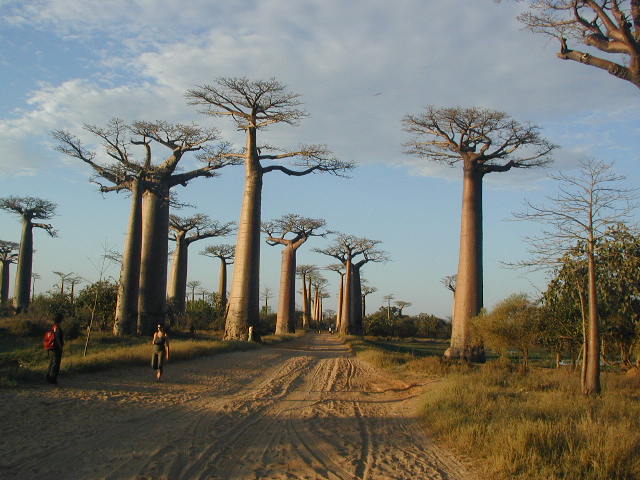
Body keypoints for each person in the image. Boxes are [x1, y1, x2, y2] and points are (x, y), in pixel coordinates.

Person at [46, 313, 64, 385]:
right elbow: (57, 338)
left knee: (53, 362)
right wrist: (60, 347)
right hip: (56, 347)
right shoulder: (57, 327)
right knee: (56, 363)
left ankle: (49, 377)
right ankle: (52, 378)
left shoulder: (54, 326)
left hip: (53, 347)